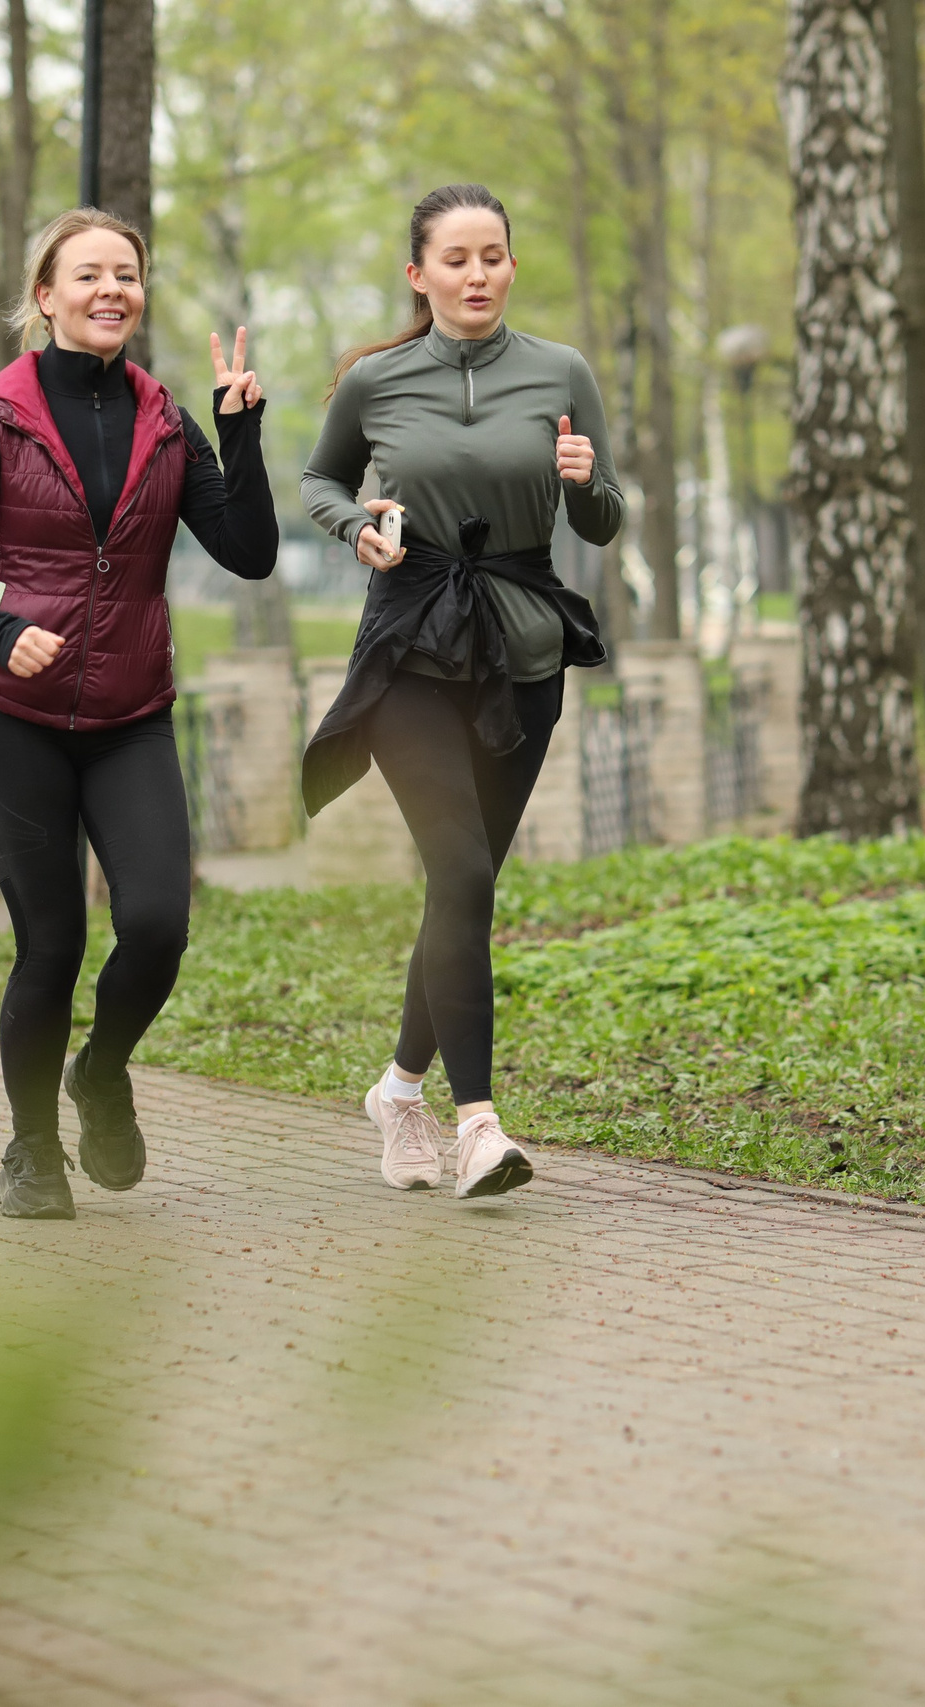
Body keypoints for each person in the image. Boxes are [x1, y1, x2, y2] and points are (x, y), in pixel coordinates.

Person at [0, 207, 278, 1220]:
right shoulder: (1, 421)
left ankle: (101, 1072)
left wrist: (238, 435)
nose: (111, 290)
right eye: (88, 275)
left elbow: (247, 551)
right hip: (12, 717)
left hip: (129, 713)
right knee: (53, 944)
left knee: (156, 924)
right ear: (46, 297)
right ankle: (30, 1152)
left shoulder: (166, 421)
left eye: (127, 274)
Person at [299, 183, 625, 1201]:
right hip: (412, 645)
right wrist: (355, 527)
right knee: (462, 869)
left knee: (463, 885)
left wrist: (580, 482)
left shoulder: (560, 370)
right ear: (418, 274)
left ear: (511, 266)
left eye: (493, 256)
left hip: (521, 648)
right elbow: (317, 483)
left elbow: (605, 520)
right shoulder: (377, 380)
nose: (476, 274)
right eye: (456, 259)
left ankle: (400, 1091)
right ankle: (478, 1124)